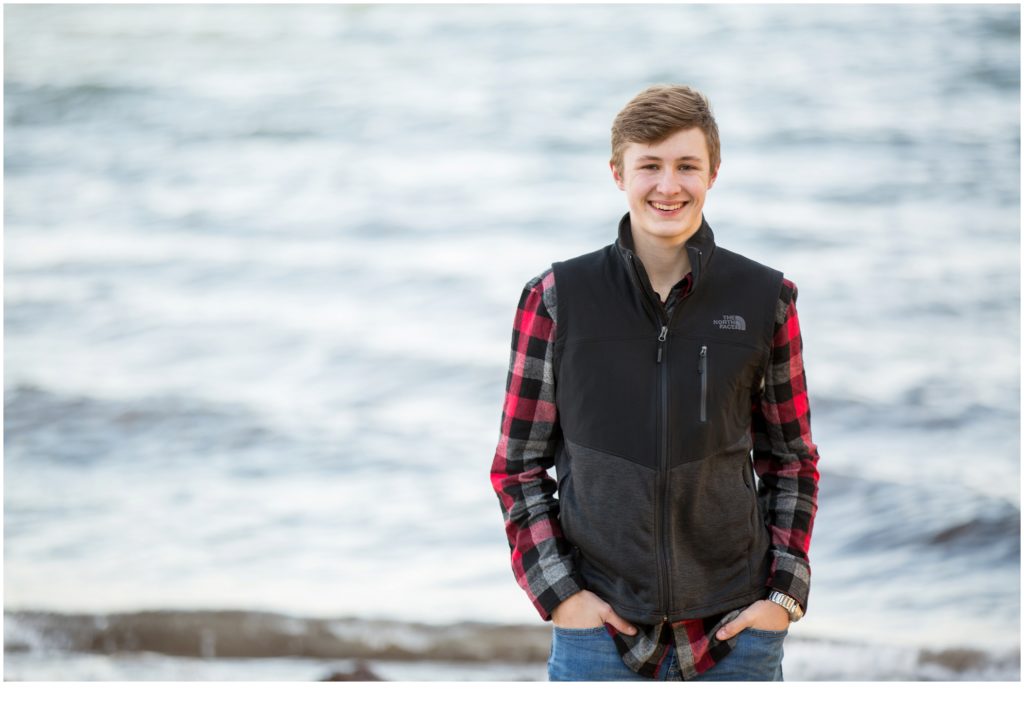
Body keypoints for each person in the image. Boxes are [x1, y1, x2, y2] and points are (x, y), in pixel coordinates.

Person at [489, 84, 820, 682]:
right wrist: (561, 595)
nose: (668, 186)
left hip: (735, 636)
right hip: (599, 637)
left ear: (713, 173)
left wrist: (784, 597)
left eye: (686, 166)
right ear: (618, 173)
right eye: (650, 166)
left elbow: (792, 461)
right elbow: (517, 467)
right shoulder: (556, 300)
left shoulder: (766, 299)